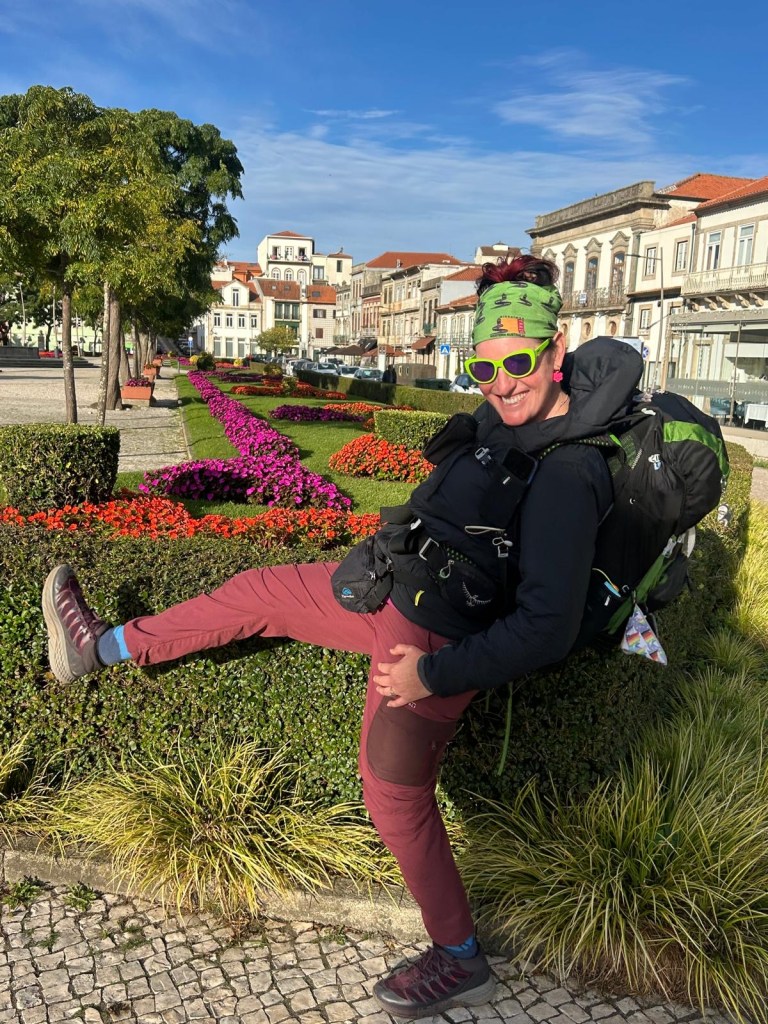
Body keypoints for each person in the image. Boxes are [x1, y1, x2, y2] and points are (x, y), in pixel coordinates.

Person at [43, 254, 641, 1019]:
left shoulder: (569, 472)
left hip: (430, 644)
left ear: (556, 351)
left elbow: (546, 629)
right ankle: (99, 648)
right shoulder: (506, 422)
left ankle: (461, 958)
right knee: (254, 592)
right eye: (484, 369)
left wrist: (433, 676)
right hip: (389, 592)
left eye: (518, 363)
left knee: (393, 800)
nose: (500, 384)